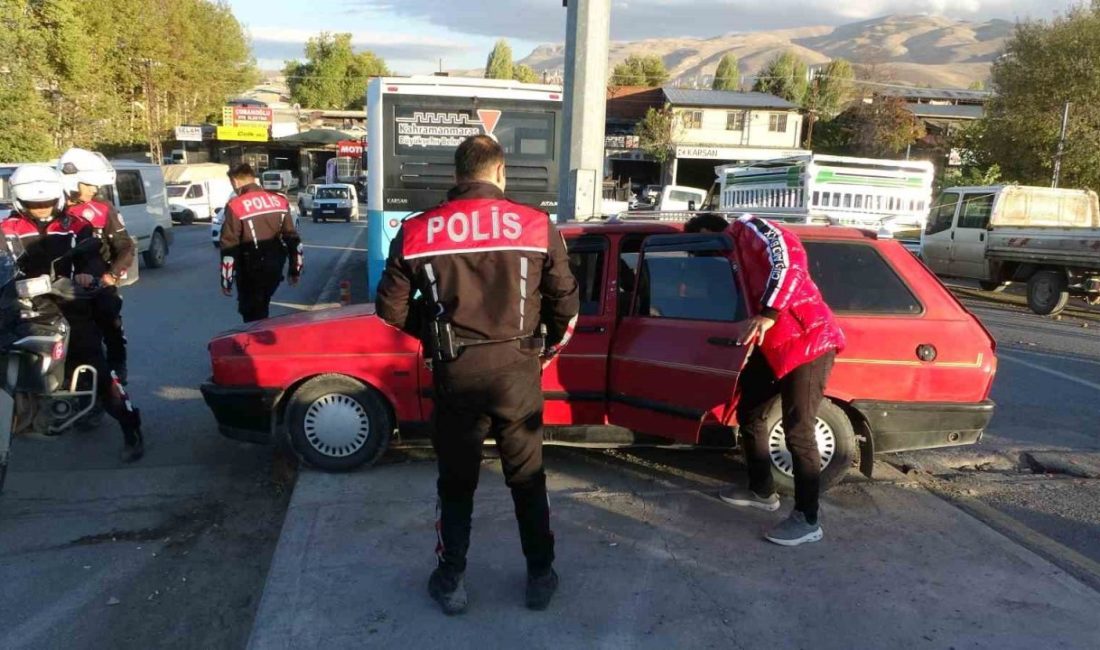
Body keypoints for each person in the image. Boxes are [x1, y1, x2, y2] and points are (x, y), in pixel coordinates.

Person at [376, 135, 579, 615]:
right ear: (500, 173)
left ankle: (451, 581)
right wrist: (545, 347)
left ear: (456, 175)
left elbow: (389, 309)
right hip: (518, 372)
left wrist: (433, 335)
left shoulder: (418, 230)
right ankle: (540, 575)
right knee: (527, 478)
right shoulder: (536, 225)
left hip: (456, 373)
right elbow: (567, 305)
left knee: (456, 483)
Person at [716, 213, 845, 546]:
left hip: (809, 342)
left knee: (799, 430)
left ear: (713, 232)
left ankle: (807, 519)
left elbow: (789, 261)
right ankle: (761, 490)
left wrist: (767, 314)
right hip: (775, 346)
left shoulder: (749, 227)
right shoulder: (738, 256)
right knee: (750, 412)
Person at [2, 165, 144, 462]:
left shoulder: (76, 225)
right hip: (17, 311)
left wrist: (86, 276)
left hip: (67, 307)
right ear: (18, 201)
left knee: (98, 368)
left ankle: (131, 429)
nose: (41, 209)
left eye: (46, 203)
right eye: (33, 204)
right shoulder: (7, 230)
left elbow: (90, 258)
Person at [59, 148, 135, 384]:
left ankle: (117, 371)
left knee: (110, 322)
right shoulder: (51, 206)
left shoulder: (102, 208)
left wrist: (111, 277)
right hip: (60, 287)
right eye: (89, 184)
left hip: (98, 283)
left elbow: (125, 246)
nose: (95, 189)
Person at [219, 164, 302, 322]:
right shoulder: (279, 201)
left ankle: (258, 343)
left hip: (250, 272)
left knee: (252, 315)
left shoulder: (235, 206)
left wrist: (226, 280)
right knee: (263, 306)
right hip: (274, 269)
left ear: (236, 182)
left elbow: (229, 246)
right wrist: (295, 270)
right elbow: (293, 239)